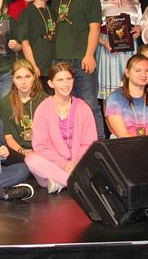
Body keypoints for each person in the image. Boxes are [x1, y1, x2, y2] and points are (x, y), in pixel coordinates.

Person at [50, 0, 105, 139]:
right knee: (64, 106)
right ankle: (70, 144)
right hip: (60, 60)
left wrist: (89, 54)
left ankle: (98, 147)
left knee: (89, 105)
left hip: (82, 60)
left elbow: (94, 28)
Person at [25, 62, 97, 193]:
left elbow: (89, 142)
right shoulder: (43, 109)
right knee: (31, 160)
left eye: (68, 79)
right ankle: (75, 182)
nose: (65, 84)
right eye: (60, 80)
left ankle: (60, 182)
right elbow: (40, 146)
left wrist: (75, 162)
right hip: (53, 164)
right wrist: (63, 164)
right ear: (51, 83)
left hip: (79, 163)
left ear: (73, 80)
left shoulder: (83, 108)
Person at [95, 0, 142, 102]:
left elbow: (140, 21)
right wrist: (103, 42)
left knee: (132, 89)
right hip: (108, 47)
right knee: (110, 95)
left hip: (131, 47)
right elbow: (91, 26)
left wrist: (139, 29)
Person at [0, 59, 48, 163]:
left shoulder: (45, 100)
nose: (23, 82)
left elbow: (51, 133)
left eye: (27, 76)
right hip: (17, 151)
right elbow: (8, 137)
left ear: (34, 77)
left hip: (42, 150)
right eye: (18, 77)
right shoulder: (5, 103)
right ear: (12, 79)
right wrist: (23, 151)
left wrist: (38, 151)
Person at [18, 0, 56, 81]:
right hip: (35, 67)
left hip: (50, 67)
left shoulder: (52, 11)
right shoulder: (26, 13)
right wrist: (33, 65)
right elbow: (25, 43)